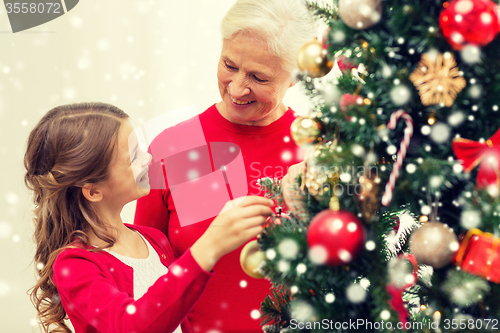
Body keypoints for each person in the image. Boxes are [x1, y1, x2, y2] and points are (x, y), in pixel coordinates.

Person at [134, 0, 316, 331]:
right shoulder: (174, 148)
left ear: (295, 77)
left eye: (259, 77)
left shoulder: (318, 152)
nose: (237, 88)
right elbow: (145, 273)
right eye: (229, 65)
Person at [25, 102, 273, 333]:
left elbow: (174, 307)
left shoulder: (154, 240)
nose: (148, 158)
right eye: (133, 157)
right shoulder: (74, 265)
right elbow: (131, 325)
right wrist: (209, 246)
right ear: (93, 190)